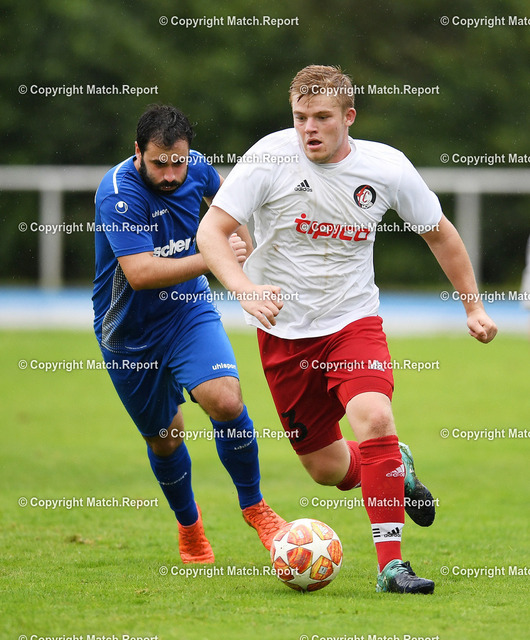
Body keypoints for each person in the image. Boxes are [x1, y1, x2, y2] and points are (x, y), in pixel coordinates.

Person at [197, 65, 498, 593]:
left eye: (321, 117)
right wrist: (243, 288)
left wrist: (473, 307)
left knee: (375, 418)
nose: (308, 128)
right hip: (285, 335)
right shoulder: (269, 157)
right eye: (300, 117)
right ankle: (394, 466)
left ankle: (392, 567)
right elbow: (212, 231)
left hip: (353, 322)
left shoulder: (386, 167)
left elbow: (440, 235)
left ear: (349, 117)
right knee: (325, 468)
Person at [92, 104, 285, 564]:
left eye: (177, 162)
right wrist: (215, 257)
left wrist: (249, 261)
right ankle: (190, 526)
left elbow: (232, 214)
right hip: (128, 335)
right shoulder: (118, 194)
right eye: (159, 163)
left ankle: (256, 508)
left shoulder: (199, 169)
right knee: (166, 437)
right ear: (137, 152)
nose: (171, 174)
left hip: (187, 311)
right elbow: (140, 273)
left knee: (226, 399)